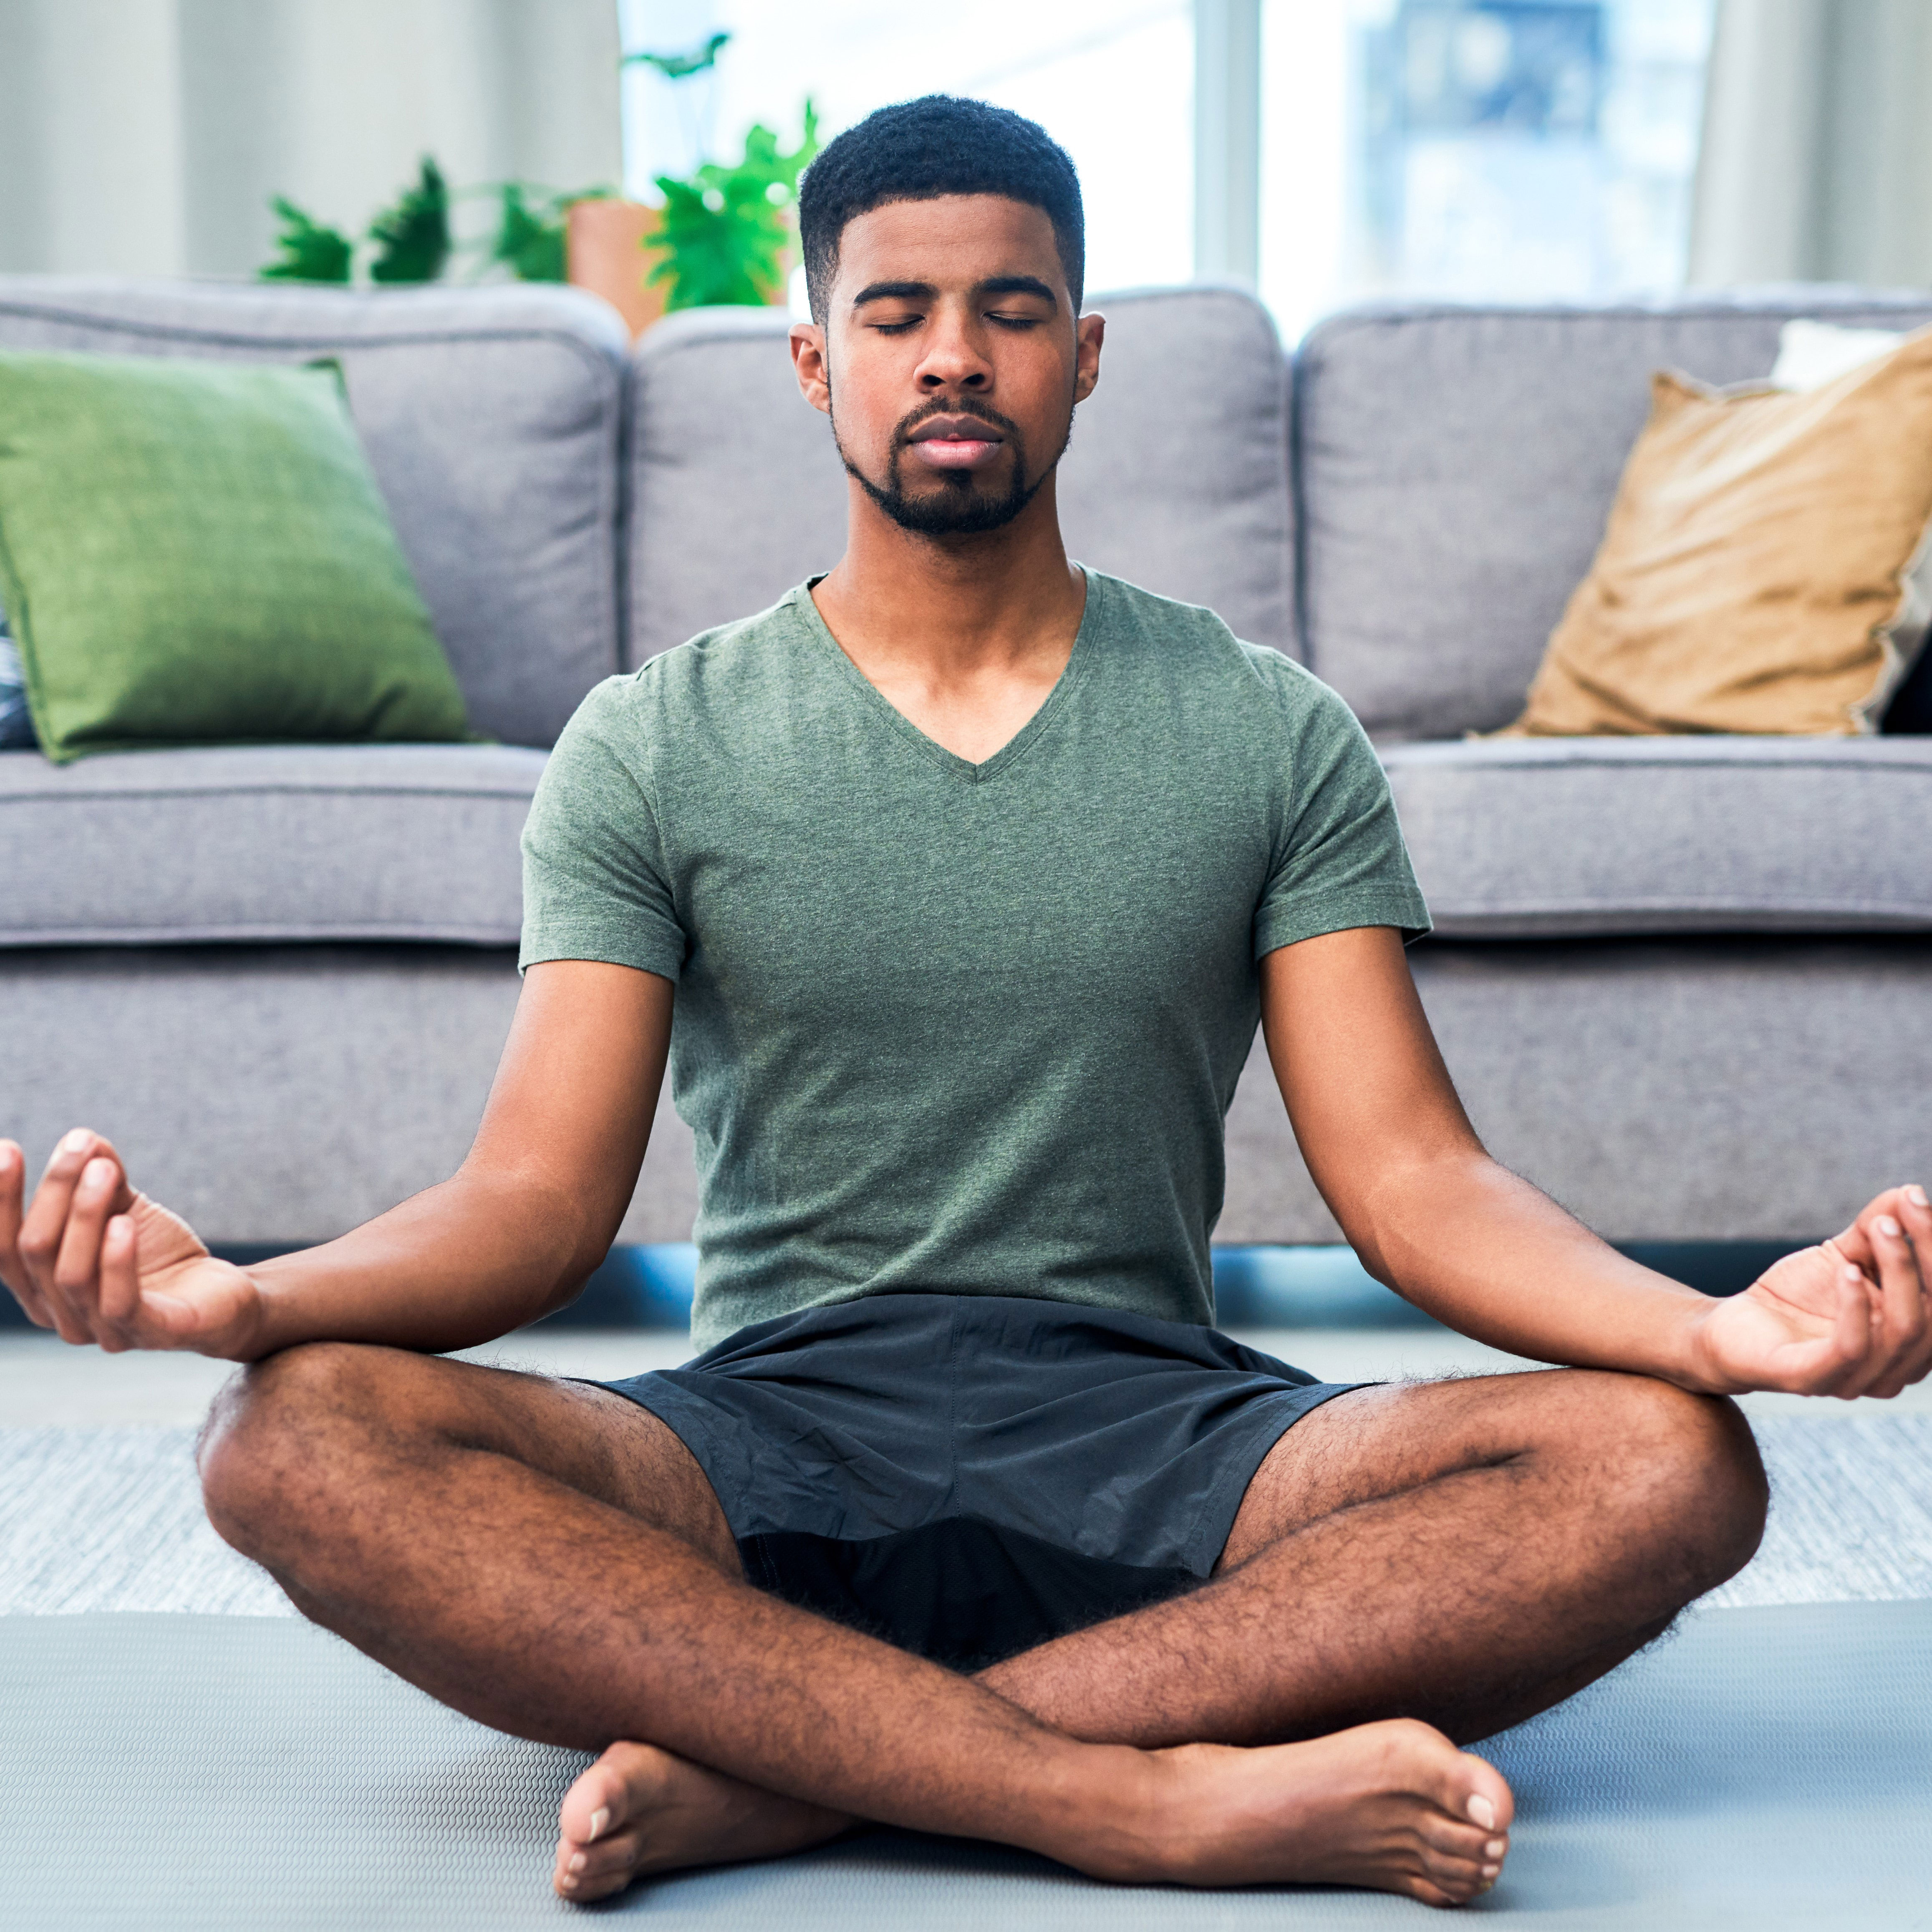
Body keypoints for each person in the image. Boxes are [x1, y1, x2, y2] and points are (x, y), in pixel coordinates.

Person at [3, 95, 1928, 1913]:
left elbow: (1416, 1186)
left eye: (1010, 311)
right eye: (896, 312)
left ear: (1082, 359)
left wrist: (1718, 1329)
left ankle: (791, 1766)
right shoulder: (651, 744)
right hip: (761, 1432)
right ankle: (1135, 1792)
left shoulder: (1267, 732)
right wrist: (248, 1299)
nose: (952, 356)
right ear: (814, 361)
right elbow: (534, 1209)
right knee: (288, 1439)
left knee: (1667, 1460)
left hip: (1169, 1433)